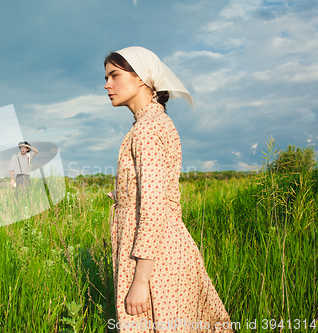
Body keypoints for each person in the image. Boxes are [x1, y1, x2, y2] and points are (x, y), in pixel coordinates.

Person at [104, 46, 232, 332]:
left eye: (114, 75)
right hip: (165, 253)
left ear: (141, 79)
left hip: (155, 264)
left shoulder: (147, 130)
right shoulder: (154, 122)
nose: (107, 84)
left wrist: (140, 282)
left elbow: (152, 207)